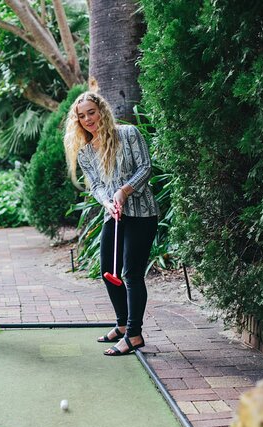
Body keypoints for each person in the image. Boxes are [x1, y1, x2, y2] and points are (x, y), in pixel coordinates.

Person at [64, 91, 159, 356]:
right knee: (108, 271)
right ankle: (121, 323)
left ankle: (134, 334)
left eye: (91, 113)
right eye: (81, 116)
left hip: (141, 213)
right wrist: (108, 202)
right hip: (114, 214)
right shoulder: (86, 152)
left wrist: (124, 191)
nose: (87, 120)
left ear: (101, 111)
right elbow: (95, 185)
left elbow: (146, 168)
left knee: (131, 274)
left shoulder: (128, 134)